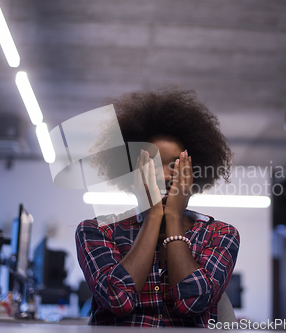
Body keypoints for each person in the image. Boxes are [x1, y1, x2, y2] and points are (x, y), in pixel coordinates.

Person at [75, 87, 240, 327]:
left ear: (192, 174)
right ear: (131, 173)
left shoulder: (220, 235)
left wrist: (173, 216)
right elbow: (118, 299)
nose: (164, 176)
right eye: (151, 164)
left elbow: (192, 302)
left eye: (175, 165)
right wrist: (153, 214)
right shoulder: (97, 230)